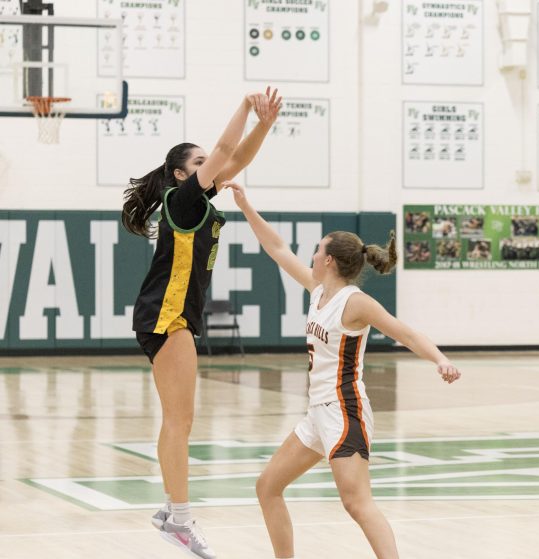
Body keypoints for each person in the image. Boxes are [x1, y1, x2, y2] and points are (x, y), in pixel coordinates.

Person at [224, 181, 461, 559]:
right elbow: (277, 248)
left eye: (318, 250)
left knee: (357, 503)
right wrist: (245, 205)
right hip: (316, 414)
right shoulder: (318, 290)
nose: (313, 255)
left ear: (330, 260)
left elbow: (406, 332)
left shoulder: (355, 303)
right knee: (267, 486)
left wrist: (440, 360)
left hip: (344, 411)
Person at [121, 87, 282, 559]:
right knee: (180, 420)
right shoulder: (181, 200)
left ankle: (174, 514)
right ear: (179, 174)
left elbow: (236, 159)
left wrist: (265, 125)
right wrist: (246, 107)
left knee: (180, 419)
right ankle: (181, 520)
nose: (210, 166)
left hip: (171, 316)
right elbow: (227, 152)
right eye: (199, 163)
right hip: (166, 315)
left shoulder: (196, 200)